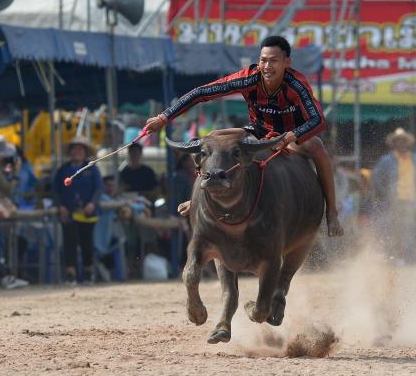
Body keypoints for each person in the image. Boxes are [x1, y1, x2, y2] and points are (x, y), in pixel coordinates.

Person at [143, 35, 344, 236]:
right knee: (212, 139)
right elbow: (201, 92)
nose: (267, 66)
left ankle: (332, 212)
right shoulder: (249, 77)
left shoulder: (297, 84)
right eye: (263, 60)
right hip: (257, 131)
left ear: (287, 63)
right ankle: (197, 198)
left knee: (316, 146)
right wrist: (164, 117)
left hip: (290, 135)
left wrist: (291, 136)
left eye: (273, 61)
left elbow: (318, 119)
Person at [371, 127, 416, 265]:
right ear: (394, 144)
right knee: (394, 229)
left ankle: (409, 257)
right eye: (398, 141)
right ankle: (396, 257)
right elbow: (376, 176)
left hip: (412, 199)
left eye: (403, 141)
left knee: (410, 229)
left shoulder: (415, 159)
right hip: (395, 199)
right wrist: (385, 193)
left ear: (407, 143)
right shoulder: (387, 160)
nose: (401, 143)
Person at [52, 136, 102, 283]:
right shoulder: (63, 170)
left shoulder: (92, 169)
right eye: (74, 148)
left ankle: (88, 271)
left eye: (80, 149)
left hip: (87, 213)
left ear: (85, 151)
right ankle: (70, 273)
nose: (77, 151)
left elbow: (99, 189)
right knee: (69, 241)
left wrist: (93, 203)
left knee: (87, 242)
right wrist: (60, 206)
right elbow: (56, 190)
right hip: (69, 212)